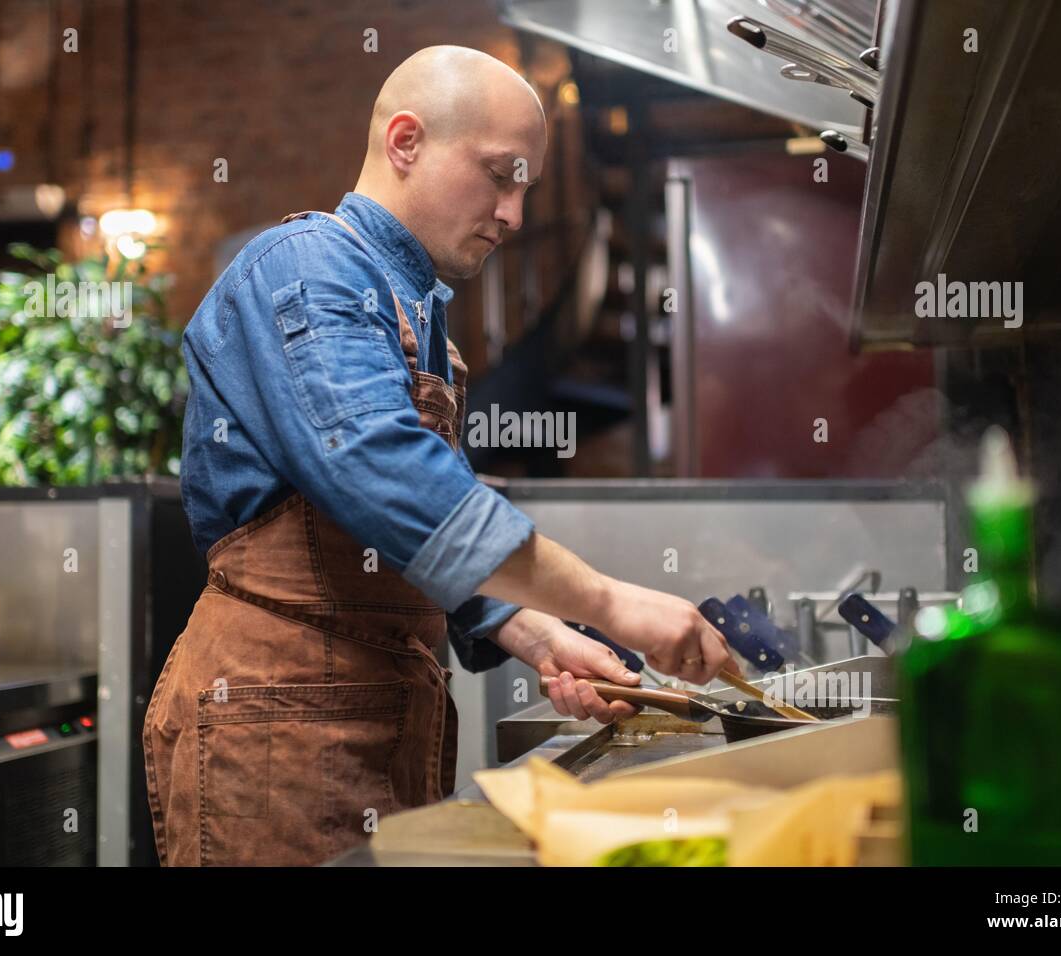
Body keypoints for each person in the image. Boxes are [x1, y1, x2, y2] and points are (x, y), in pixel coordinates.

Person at [143, 45, 729, 866]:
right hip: (275, 718)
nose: (516, 213)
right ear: (406, 141)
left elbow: (389, 542)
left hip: (378, 711)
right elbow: (383, 476)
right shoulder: (307, 270)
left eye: (526, 185)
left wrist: (530, 630)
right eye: (500, 174)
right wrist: (609, 602)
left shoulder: (414, 308)